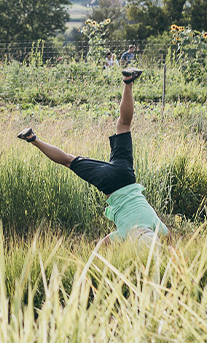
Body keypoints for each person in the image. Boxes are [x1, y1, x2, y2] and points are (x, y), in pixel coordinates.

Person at [17, 67, 169, 246]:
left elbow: (171, 243)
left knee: (124, 126)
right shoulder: (126, 234)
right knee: (68, 160)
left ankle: (128, 82)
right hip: (109, 183)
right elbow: (100, 245)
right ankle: (32, 139)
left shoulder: (158, 227)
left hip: (126, 174)